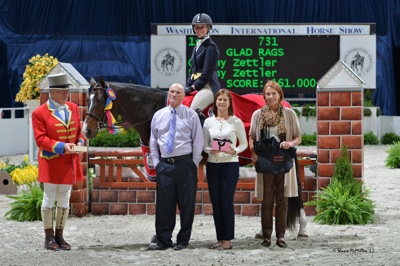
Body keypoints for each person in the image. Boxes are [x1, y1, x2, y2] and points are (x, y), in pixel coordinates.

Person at [32, 73, 86, 251]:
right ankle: (48, 238)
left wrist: (79, 142)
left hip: (69, 162)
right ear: (52, 92)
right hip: (51, 161)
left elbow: (79, 131)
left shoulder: (73, 108)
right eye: (63, 92)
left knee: (65, 197)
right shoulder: (39, 113)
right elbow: (41, 139)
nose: (66, 95)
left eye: (67, 91)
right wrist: (62, 146)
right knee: (49, 198)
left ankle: (60, 236)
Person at [148, 83, 204, 251]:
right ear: (168, 93)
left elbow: (198, 140)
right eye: (171, 91)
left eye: (178, 92)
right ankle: (163, 240)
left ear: (182, 96)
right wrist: (157, 163)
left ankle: (183, 240)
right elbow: (153, 141)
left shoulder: (191, 115)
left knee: (187, 205)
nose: (174, 94)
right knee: (164, 205)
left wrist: (193, 163)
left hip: (185, 165)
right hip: (165, 165)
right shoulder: (158, 115)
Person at [249, 80, 302, 248]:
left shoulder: (289, 114)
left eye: (273, 93)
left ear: (280, 95)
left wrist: (291, 144)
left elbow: (298, 137)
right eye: (268, 94)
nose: (270, 97)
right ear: (264, 96)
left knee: (282, 200)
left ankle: (280, 237)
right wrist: (253, 152)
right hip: (265, 162)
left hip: (283, 162)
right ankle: (266, 236)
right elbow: (252, 136)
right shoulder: (258, 115)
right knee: (266, 200)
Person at [202, 89, 248, 250]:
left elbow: (244, 144)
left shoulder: (236, 122)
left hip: (230, 166)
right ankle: (220, 238)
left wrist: (234, 151)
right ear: (215, 102)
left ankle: (228, 240)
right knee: (216, 203)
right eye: (219, 100)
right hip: (213, 165)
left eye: (224, 100)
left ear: (229, 103)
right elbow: (204, 144)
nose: (221, 103)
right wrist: (209, 151)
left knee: (226, 202)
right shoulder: (208, 122)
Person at [185, 13, 221, 117]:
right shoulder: (196, 47)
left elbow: (207, 73)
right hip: (198, 86)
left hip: (208, 87)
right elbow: (192, 71)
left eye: (202, 27)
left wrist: (193, 87)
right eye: (196, 27)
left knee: (191, 111)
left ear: (208, 28)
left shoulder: (211, 47)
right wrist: (187, 85)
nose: (199, 29)